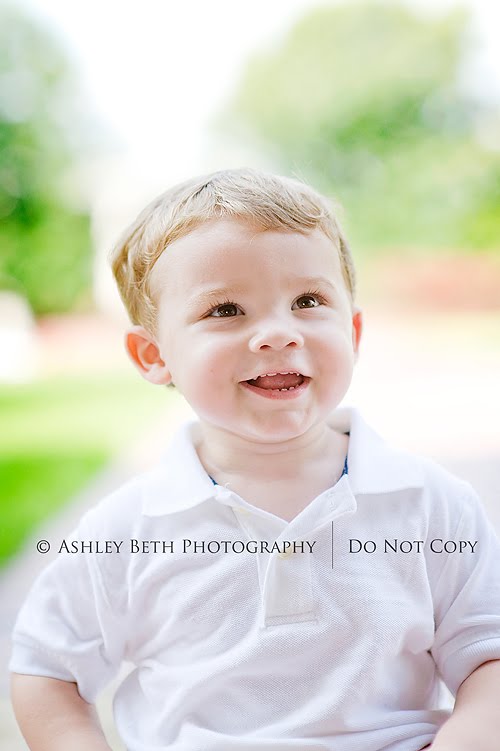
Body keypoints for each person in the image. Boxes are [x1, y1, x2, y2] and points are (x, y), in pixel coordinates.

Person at [9, 168, 500, 751]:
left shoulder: (432, 506)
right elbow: (48, 669)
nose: (277, 333)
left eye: (308, 301)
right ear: (154, 355)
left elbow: (487, 658)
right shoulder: (126, 530)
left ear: (353, 331)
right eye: (226, 310)